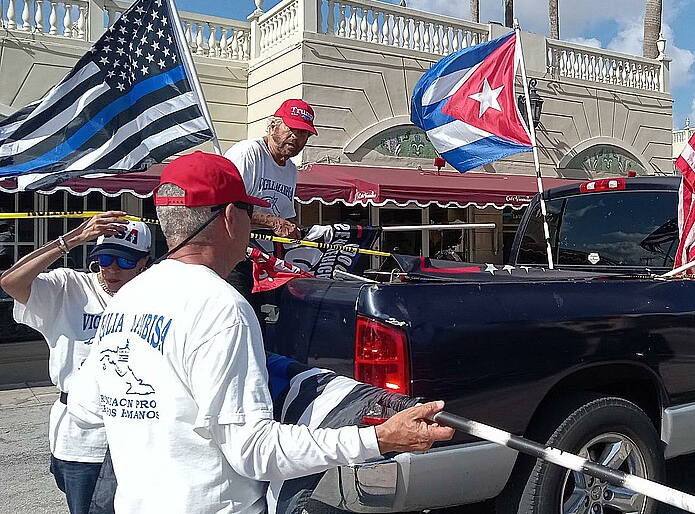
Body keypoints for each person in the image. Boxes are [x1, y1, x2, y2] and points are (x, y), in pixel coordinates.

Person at [67, 152, 453, 514]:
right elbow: (253, 451)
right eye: (250, 213)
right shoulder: (221, 307)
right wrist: (378, 439)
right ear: (231, 217)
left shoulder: (125, 297)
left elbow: (86, 410)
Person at [0, 212, 152, 514]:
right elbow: (11, 281)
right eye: (105, 258)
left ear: (144, 261)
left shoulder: (153, 294)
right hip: (83, 439)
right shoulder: (69, 287)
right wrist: (71, 239)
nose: (112, 269)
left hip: (140, 430)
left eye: (124, 261)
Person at [223, 98, 315, 328]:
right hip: (235, 258)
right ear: (272, 126)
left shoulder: (291, 169)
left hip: (267, 263)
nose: (296, 137)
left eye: (304, 133)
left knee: (270, 327)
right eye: (291, 128)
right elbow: (225, 205)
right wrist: (272, 222)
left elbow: (287, 216)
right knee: (240, 324)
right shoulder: (248, 153)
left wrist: (307, 233)